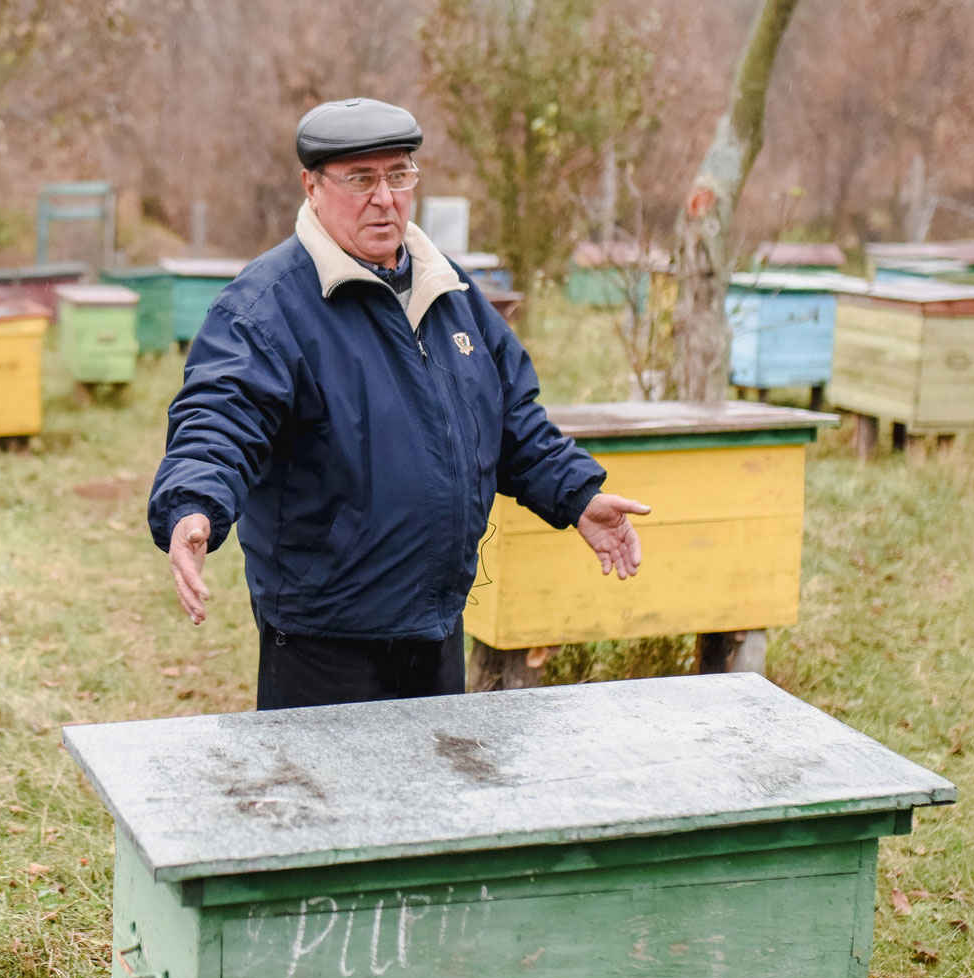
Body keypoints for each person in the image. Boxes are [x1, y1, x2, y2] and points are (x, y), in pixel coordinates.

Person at [146, 97, 649, 710]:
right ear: (311, 185)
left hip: (436, 623)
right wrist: (194, 503)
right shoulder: (266, 308)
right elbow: (220, 416)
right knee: (324, 804)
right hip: (323, 639)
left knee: (431, 798)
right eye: (360, 179)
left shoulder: (452, 292)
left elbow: (512, 420)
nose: (384, 197)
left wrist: (577, 495)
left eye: (399, 175)